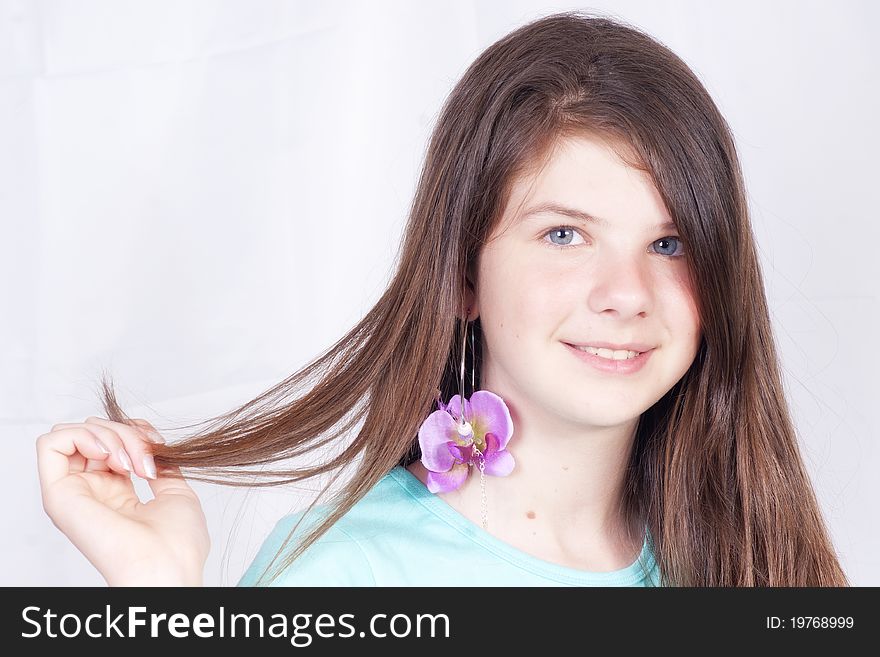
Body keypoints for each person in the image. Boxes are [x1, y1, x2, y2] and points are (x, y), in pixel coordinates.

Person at [35, 11, 849, 587]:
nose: (626, 294)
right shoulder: (345, 575)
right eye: (564, 234)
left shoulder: (763, 562)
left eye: (668, 244)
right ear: (462, 273)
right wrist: (161, 598)